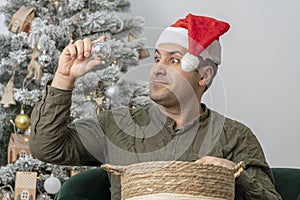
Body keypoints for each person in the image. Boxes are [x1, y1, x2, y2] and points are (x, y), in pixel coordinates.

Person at [29, 13, 282, 200]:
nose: (158, 68)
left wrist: (235, 175)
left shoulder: (235, 137)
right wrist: (64, 77)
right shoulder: (115, 126)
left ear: (203, 76)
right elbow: (47, 148)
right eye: (157, 58)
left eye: (174, 60)